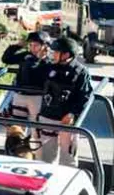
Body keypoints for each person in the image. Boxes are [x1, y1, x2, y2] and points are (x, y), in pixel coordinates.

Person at [37, 37, 93, 166]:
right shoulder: (49, 67)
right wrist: (39, 59)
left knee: (68, 160)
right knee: (45, 159)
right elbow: (33, 75)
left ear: (66, 54)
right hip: (48, 117)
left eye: (56, 52)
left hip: (67, 121)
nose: (53, 54)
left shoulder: (81, 72)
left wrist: (73, 114)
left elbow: (85, 96)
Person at [2, 31, 51, 121]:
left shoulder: (49, 61)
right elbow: (6, 59)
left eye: (36, 45)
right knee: (17, 124)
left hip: (37, 96)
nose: (32, 48)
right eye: (30, 45)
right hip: (20, 93)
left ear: (44, 46)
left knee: (36, 127)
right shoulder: (26, 56)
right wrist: (17, 46)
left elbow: (35, 70)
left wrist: (38, 59)